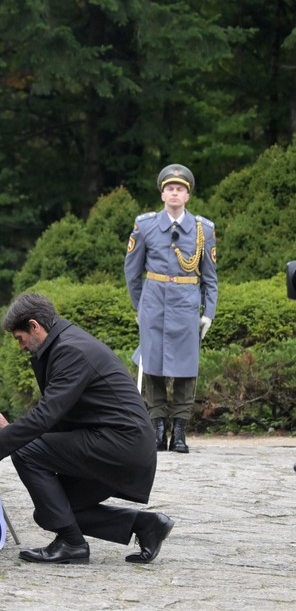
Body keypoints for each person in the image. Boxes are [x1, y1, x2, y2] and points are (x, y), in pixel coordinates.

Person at [0, 293, 173, 565]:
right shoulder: (66, 344)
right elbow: (60, 412)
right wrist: (11, 429)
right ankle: (145, 525)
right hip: (116, 442)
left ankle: (71, 544)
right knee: (53, 510)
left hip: (121, 445)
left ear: (34, 326)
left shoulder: (71, 350)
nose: (21, 347)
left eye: (20, 339)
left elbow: (47, 415)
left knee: (25, 454)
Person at [124, 164, 218, 453]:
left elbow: (210, 276)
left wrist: (208, 313)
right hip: (153, 303)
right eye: (170, 188)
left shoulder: (204, 229)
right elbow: (132, 270)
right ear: (163, 193)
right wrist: (139, 306)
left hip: (186, 304)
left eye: (180, 189)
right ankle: (157, 427)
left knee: (186, 369)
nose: (175, 193)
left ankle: (179, 430)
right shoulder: (146, 225)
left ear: (187, 196)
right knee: (152, 365)